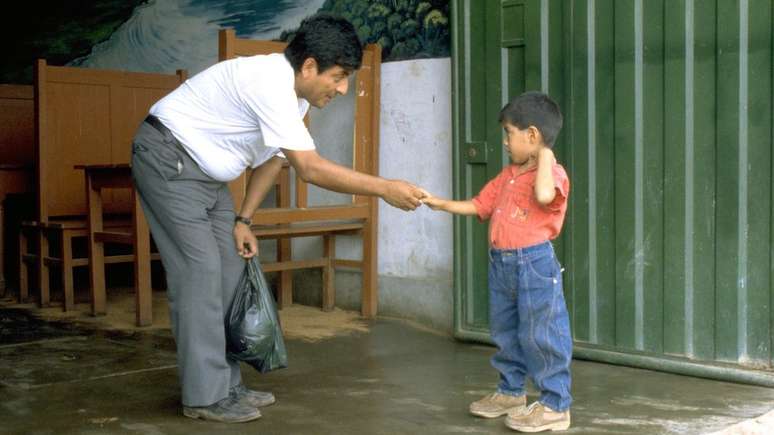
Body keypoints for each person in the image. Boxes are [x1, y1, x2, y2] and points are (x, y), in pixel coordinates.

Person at [130, 14, 425, 423]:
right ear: (308, 67)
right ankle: (203, 397)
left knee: (231, 269)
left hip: (206, 176)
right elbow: (310, 168)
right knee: (198, 273)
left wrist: (243, 220)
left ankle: (226, 386)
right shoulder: (269, 82)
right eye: (338, 77)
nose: (341, 89)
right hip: (168, 159)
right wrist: (384, 188)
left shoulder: (296, 97)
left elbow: (275, 159)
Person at [422, 91, 572, 432]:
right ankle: (511, 392)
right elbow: (479, 205)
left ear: (532, 135)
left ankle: (555, 405)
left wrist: (545, 154)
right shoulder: (508, 175)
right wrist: (439, 203)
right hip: (502, 264)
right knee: (506, 332)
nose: (505, 141)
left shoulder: (553, 174)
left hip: (535, 265)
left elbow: (545, 196)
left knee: (542, 334)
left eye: (509, 133)